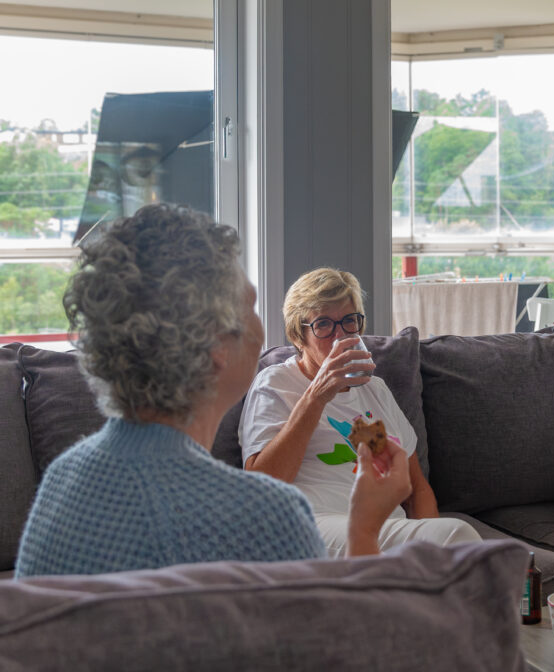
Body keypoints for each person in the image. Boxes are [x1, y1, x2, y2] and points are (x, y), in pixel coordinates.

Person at [15, 204, 409, 578]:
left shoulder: (63, 479)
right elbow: (334, 641)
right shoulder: (264, 515)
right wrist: (362, 532)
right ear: (217, 346)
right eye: (251, 305)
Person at [239, 267, 481, 557]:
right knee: (458, 535)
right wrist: (317, 395)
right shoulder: (277, 383)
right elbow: (261, 488)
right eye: (324, 324)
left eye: (349, 321)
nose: (340, 335)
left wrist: (425, 544)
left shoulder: (374, 390)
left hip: (385, 529)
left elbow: (417, 490)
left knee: (452, 546)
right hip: (310, 526)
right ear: (299, 335)